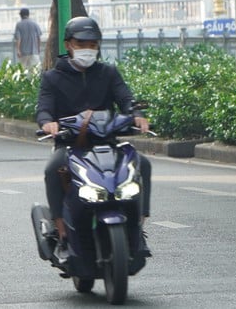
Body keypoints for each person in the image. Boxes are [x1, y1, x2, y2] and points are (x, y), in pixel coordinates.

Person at [35, 17, 152, 260]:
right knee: (53, 169)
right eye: (81, 43)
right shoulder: (52, 78)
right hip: (70, 145)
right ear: (68, 45)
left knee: (143, 164)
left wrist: (137, 115)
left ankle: (138, 224)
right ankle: (61, 230)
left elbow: (126, 100)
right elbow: (44, 109)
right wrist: (48, 123)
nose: (87, 49)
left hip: (107, 144)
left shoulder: (107, 73)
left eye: (92, 44)